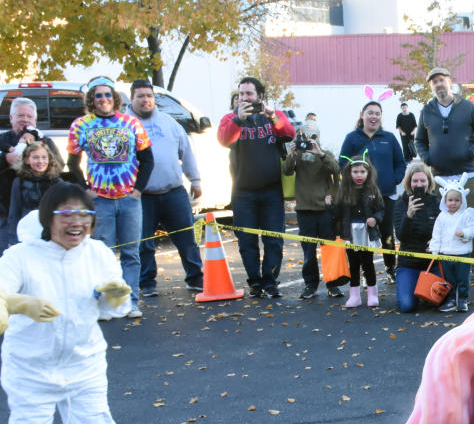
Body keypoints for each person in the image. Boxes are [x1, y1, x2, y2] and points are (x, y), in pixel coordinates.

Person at [0, 182, 137, 424]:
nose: (76, 222)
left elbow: (114, 307)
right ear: (49, 217)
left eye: (84, 214)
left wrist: (116, 297)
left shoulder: (97, 254)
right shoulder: (20, 257)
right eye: (66, 214)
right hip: (30, 368)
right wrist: (18, 303)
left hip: (85, 363)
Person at [66, 76, 154, 318]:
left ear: (114, 98)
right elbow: (72, 163)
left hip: (129, 199)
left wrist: (138, 189)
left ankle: (131, 302)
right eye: (98, 95)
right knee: (103, 253)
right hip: (100, 200)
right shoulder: (81, 125)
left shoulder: (130, 123)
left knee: (131, 253)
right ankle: (106, 303)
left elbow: (147, 158)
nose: (103, 99)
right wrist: (85, 188)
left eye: (107, 94)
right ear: (91, 100)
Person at [217, 76, 295, 299]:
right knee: (246, 241)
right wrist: (238, 121)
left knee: (274, 239)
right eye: (241, 94)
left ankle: (270, 281)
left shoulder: (273, 116)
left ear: (259, 96)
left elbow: (288, 133)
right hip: (243, 192)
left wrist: (272, 116)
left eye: (249, 94)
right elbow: (224, 139)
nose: (244, 98)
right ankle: (255, 283)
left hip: (271, 190)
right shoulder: (230, 118)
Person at [126, 79, 204, 297]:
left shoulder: (169, 122)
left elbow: (186, 151)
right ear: (132, 99)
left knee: (187, 238)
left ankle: (195, 278)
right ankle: (147, 283)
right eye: (140, 96)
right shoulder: (124, 124)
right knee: (144, 243)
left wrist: (195, 180)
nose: (145, 100)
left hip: (173, 192)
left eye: (149, 96)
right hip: (141, 194)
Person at [414, 67, 474, 278]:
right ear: (431, 87)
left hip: (468, 174)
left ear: (449, 82)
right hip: (440, 176)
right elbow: (419, 140)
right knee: (445, 220)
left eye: (441, 80)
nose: (438, 85)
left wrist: (471, 152)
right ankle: (449, 265)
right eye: (434, 82)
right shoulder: (427, 111)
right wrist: (427, 158)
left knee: (470, 218)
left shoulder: (467, 107)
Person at [339, 100, 406, 282]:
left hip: (385, 195)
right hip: (360, 198)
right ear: (362, 115)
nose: (374, 116)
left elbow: (400, 163)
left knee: (387, 235)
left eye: (377, 113)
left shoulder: (389, 138)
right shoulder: (352, 138)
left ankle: (391, 267)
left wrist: (394, 179)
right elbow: (343, 163)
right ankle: (362, 269)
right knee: (359, 234)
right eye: (370, 113)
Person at [284, 121, 342, 299]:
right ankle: (311, 285)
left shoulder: (326, 154)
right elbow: (287, 171)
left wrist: (321, 154)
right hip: (304, 210)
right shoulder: (298, 155)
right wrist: (291, 153)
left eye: (313, 136)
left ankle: (333, 284)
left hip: (324, 210)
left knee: (329, 249)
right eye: (306, 136)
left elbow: (335, 169)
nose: (310, 140)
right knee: (308, 250)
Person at [331, 155, 384, 308]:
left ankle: (372, 294)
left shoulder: (373, 190)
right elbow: (338, 212)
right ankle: (354, 296)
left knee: (368, 263)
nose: (359, 175)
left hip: (367, 232)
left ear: (368, 173)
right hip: (351, 233)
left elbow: (380, 209)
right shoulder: (344, 191)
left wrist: (375, 218)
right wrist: (330, 206)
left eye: (362, 172)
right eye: (355, 172)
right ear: (349, 173)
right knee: (353, 264)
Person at [1, 98, 67, 216]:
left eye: (29, 116)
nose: (25, 120)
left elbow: (59, 166)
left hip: (40, 208)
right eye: (20, 115)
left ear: (35, 121)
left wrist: (40, 165)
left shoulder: (45, 141)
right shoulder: (3, 140)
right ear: (11, 118)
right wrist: (5, 158)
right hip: (4, 208)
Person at [393, 163, 441, 313]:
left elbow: (446, 231)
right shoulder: (400, 204)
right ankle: (413, 286)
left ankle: (424, 289)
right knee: (407, 306)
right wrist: (408, 215)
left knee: (440, 302)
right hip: (409, 263)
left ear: (429, 182)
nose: (419, 184)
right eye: (415, 181)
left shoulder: (437, 203)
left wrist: (436, 241)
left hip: (431, 263)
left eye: (423, 180)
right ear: (409, 183)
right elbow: (401, 236)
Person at [2, 141, 66, 252]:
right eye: (35, 157)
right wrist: (13, 240)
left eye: (44, 157)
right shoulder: (19, 182)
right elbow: (14, 211)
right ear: (27, 160)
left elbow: (63, 212)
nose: (40, 161)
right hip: (27, 233)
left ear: (49, 159)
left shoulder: (57, 182)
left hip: (51, 234)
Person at [429, 186, 474, 312]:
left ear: (462, 201)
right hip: (446, 254)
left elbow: (473, 230)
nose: (453, 203)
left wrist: (464, 233)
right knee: (449, 279)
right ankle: (452, 300)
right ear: (445, 201)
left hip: (462, 254)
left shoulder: (466, 215)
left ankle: (462, 300)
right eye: (450, 200)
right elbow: (436, 234)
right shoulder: (441, 217)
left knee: (462, 279)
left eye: (457, 200)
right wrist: (435, 250)